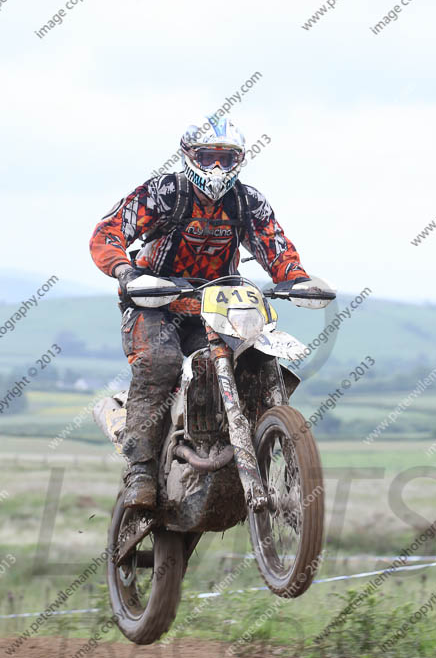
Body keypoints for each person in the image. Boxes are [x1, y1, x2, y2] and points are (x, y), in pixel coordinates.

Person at [90, 117, 310, 510]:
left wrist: (296, 278)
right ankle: (140, 468)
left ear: (240, 161)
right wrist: (126, 272)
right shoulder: (164, 193)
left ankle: (257, 442)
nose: (217, 168)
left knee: (253, 355)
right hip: (155, 302)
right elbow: (109, 232)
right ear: (189, 155)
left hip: (216, 306)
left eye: (227, 160)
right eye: (208, 157)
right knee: (161, 361)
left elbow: (274, 245)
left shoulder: (247, 201)